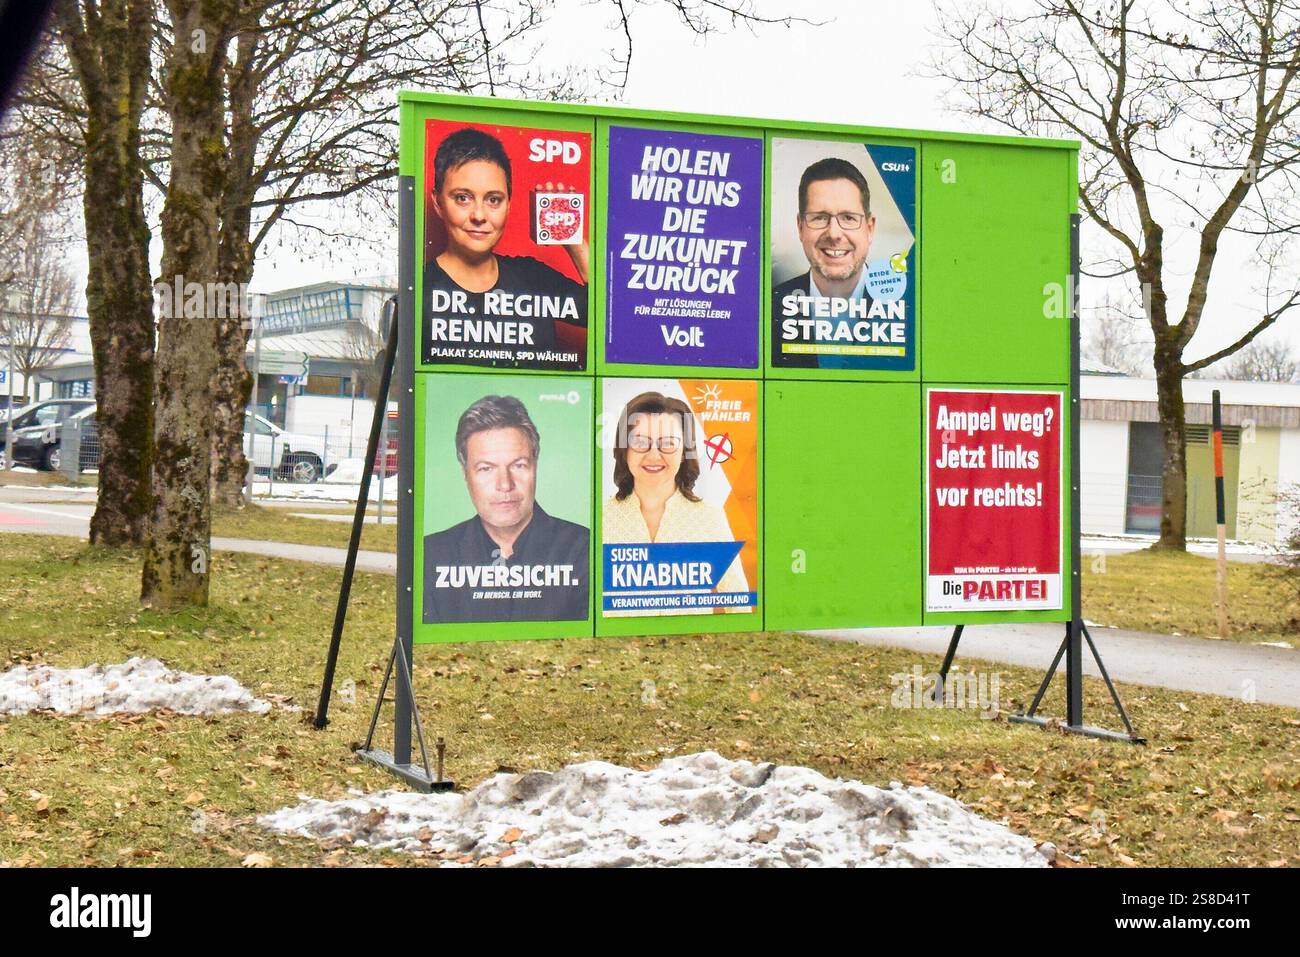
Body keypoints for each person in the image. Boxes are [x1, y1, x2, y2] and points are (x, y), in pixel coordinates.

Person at [423, 126, 590, 368]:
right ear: (438, 203)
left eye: (493, 200)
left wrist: (574, 241)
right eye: (463, 198)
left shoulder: (533, 278)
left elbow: (611, 319)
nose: (479, 215)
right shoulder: (421, 290)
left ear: (508, 205)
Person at [423, 394, 589, 623]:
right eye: (486, 469)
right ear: (465, 474)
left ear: (535, 466)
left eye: (519, 465)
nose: (505, 484)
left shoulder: (584, 551)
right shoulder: (431, 555)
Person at [602, 391, 750, 616]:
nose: (653, 455)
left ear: (685, 451)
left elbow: (739, 606)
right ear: (625, 450)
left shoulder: (709, 517)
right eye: (640, 442)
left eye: (668, 444)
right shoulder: (599, 517)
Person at [771, 156, 900, 369]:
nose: (834, 233)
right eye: (820, 217)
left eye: (848, 218)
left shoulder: (905, 307)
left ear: (870, 228)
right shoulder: (769, 308)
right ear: (800, 226)